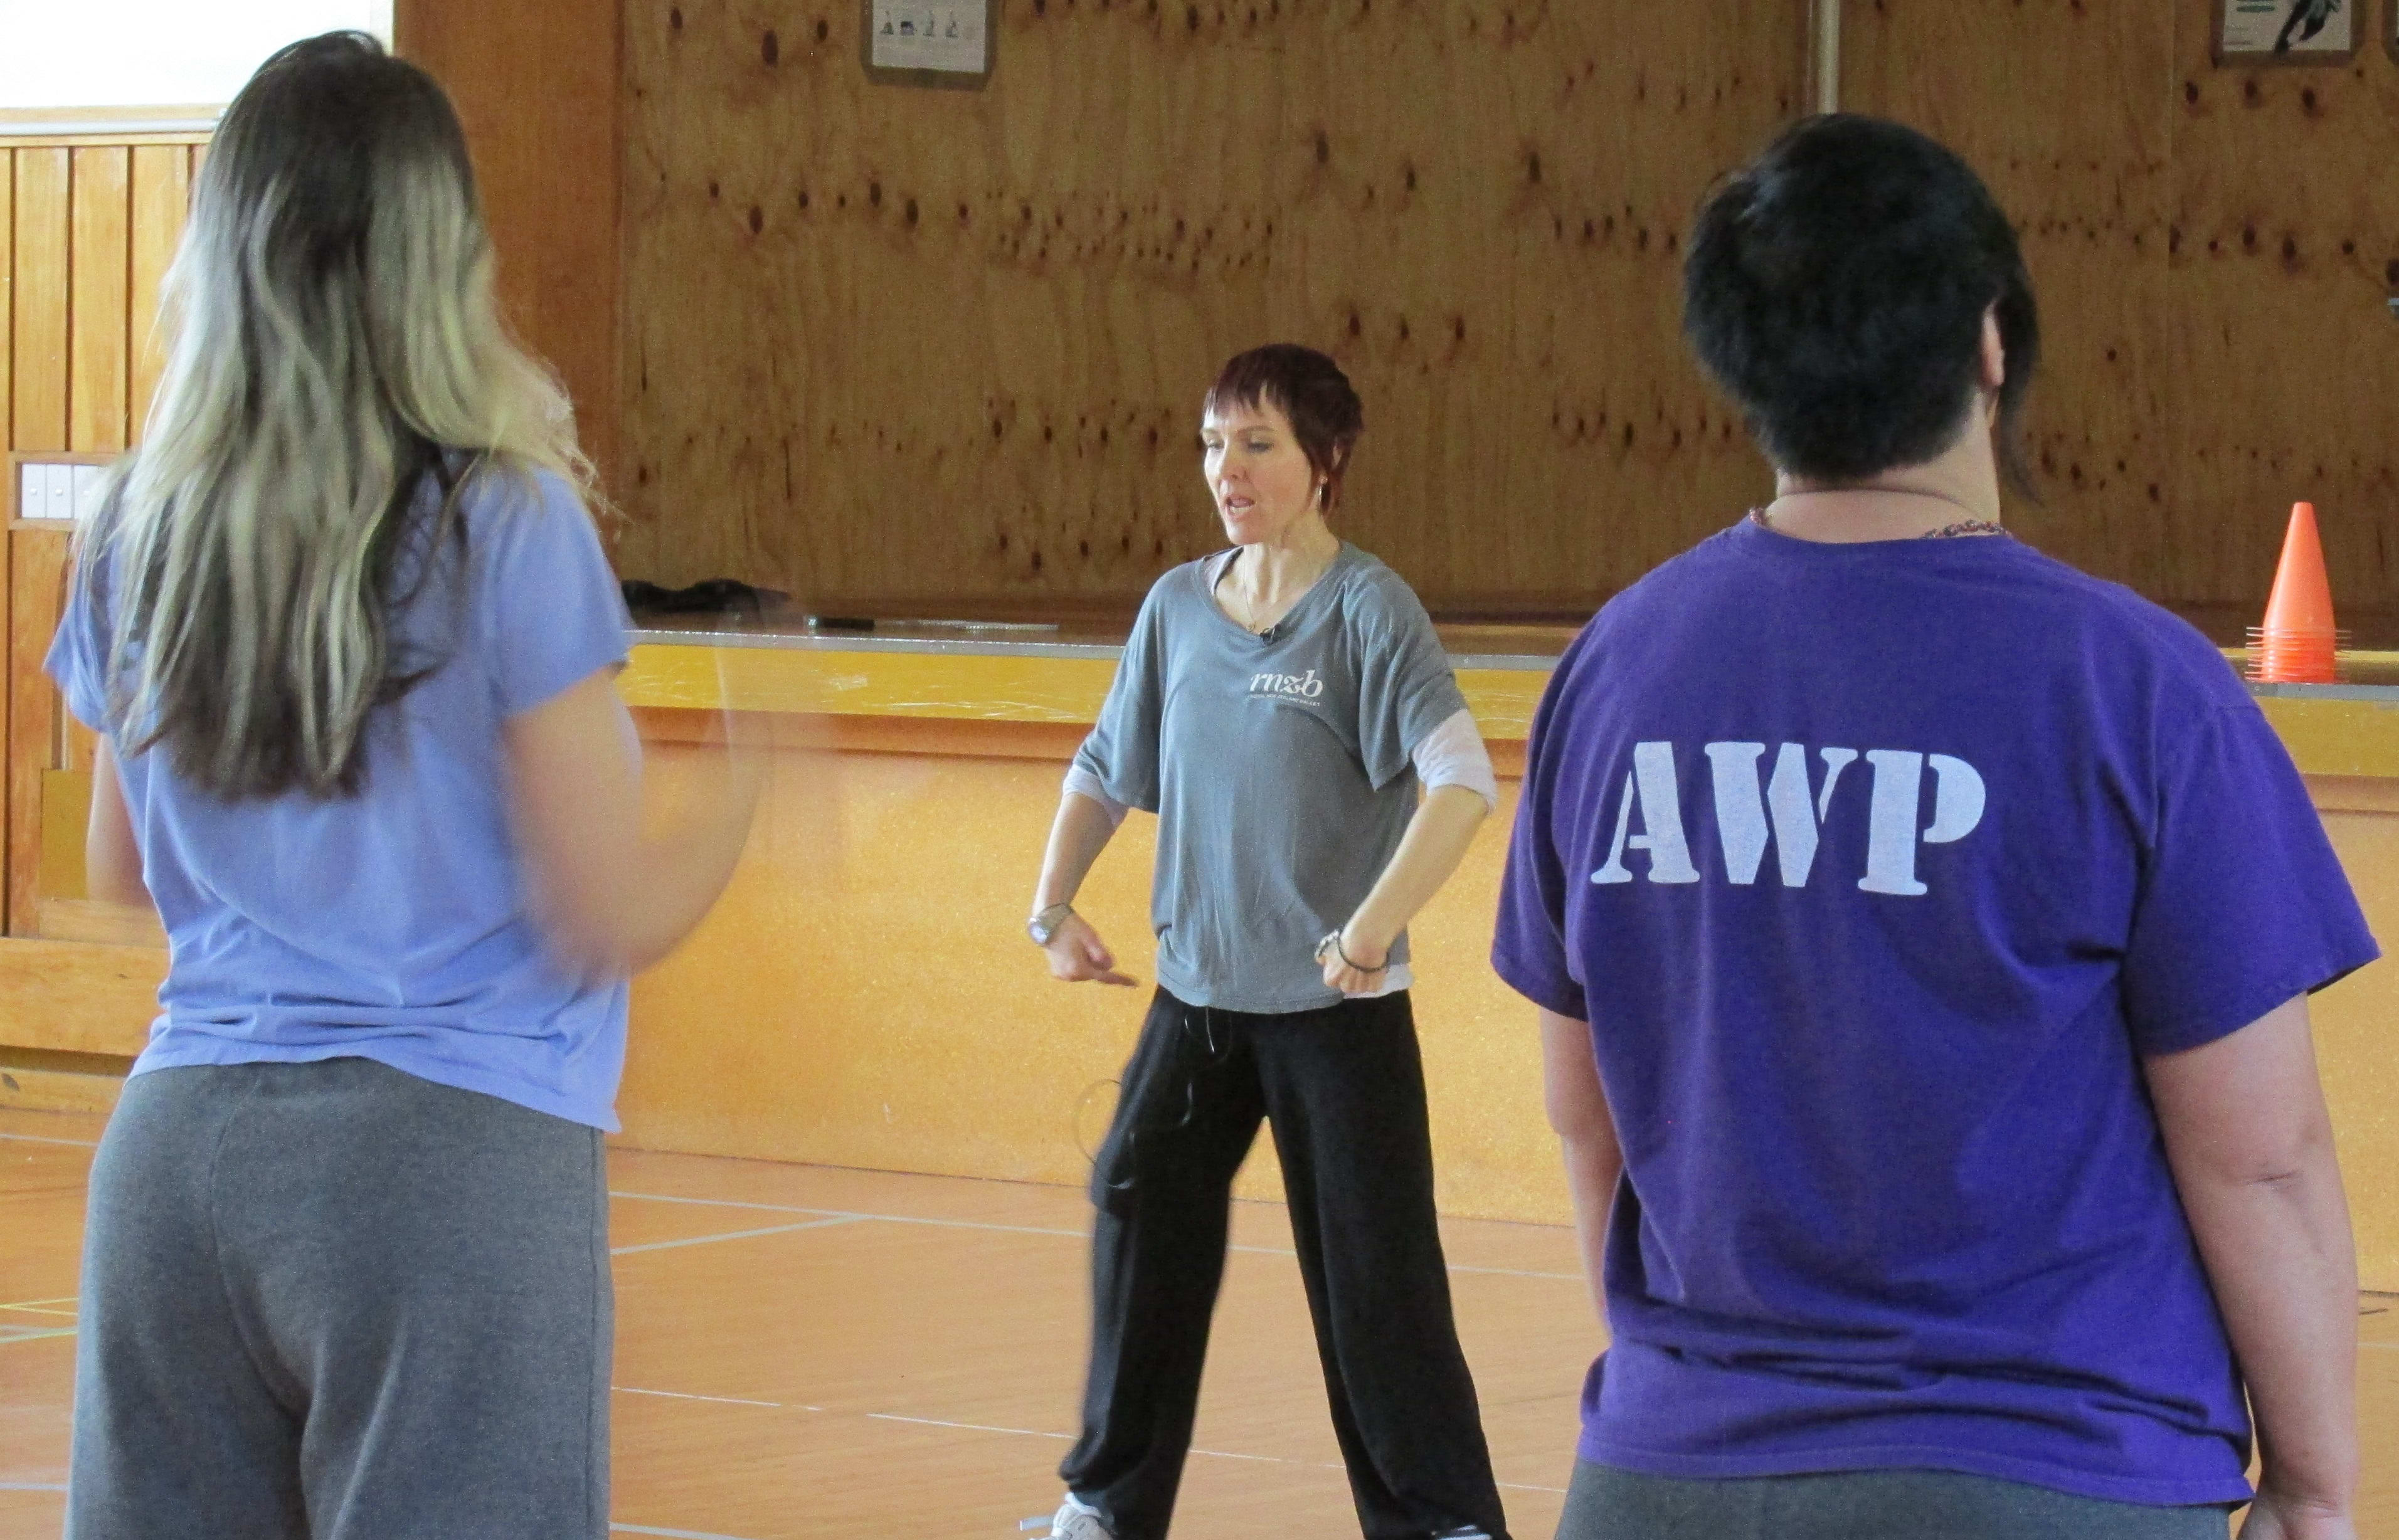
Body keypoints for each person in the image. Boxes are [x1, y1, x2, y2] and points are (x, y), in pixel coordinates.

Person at [1494, 113, 2379, 1540]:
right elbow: (2258, 1152)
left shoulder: (1615, 667)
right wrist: (2319, 1486)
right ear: (1987, 341)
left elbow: (1583, 1109)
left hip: (1668, 1477)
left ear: (1739, 365)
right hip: (2049, 1470)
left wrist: (1695, 1389)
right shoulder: (2134, 686)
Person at [51, 33, 763, 1540]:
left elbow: (119, 873)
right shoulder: (502, 522)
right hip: (444, 1170)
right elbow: (600, 909)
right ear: (442, 255)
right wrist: (743, 804)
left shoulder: (138, 531)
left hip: (173, 1166)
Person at [1027, 344, 1512, 1540]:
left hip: (1336, 1019)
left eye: (1257, 445)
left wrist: (1368, 931)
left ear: (1324, 462)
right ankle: (1107, 1505)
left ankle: (1442, 1524)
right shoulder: (1177, 609)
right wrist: (1053, 904)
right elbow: (1106, 766)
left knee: (1373, 1280)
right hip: (1196, 1001)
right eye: (1211, 443)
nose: (1227, 470)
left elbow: (1459, 781)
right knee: (1137, 1208)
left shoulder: (1367, 611)